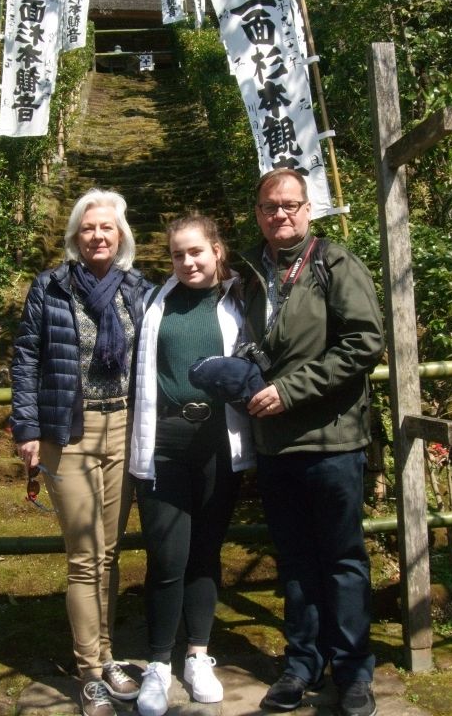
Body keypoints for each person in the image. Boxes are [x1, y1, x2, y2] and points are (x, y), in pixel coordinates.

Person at [240, 168, 384, 716]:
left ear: (309, 209)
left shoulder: (334, 263)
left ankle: (352, 673)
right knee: (295, 560)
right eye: (271, 206)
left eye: (292, 204)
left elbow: (363, 342)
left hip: (333, 439)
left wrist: (290, 391)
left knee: (343, 558)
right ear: (258, 213)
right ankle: (301, 665)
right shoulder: (251, 273)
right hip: (275, 444)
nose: (282, 214)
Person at [10, 189, 152, 716]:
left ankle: (108, 655)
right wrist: (26, 429)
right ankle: (91, 672)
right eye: (88, 227)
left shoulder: (138, 289)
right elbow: (25, 358)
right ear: (75, 235)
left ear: (121, 236)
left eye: (107, 228)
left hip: (124, 425)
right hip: (67, 431)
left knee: (110, 554)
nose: (98, 235)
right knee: (85, 556)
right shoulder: (49, 287)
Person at [130, 213, 255, 716]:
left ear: (216, 250)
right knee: (167, 558)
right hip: (163, 445)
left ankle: (198, 654)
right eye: (178, 254)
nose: (187, 262)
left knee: (206, 554)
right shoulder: (152, 302)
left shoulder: (241, 301)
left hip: (219, 446)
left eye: (196, 252)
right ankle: (158, 664)